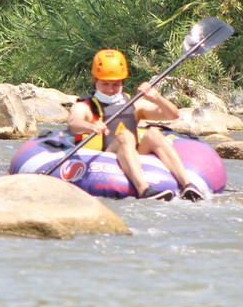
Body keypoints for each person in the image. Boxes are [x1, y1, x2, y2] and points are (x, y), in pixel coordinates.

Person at [67, 48, 204, 201]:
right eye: (105, 84)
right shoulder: (85, 106)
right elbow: (74, 123)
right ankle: (143, 189)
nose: (111, 90)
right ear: (94, 80)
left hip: (132, 153)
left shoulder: (134, 104)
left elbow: (173, 115)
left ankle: (188, 185)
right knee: (125, 135)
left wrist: (157, 98)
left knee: (153, 133)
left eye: (116, 84)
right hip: (102, 154)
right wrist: (90, 126)